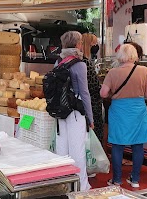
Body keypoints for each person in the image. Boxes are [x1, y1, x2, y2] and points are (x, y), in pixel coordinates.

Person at [100, 44, 147, 188]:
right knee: (138, 145)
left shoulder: (113, 72)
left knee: (117, 145)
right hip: (138, 110)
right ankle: (135, 179)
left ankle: (117, 179)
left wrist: (114, 93)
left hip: (119, 110)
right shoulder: (144, 71)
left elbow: (103, 94)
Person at [56, 31, 94, 192]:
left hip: (60, 110)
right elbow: (84, 93)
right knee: (77, 149)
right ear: (78, 44)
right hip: (76, 112)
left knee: (62, 149)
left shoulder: (58, 61)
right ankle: (81, 186)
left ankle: (62, 184)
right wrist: (90, 118)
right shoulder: (79, 64)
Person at [81, 33, 105, 146]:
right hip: (92, 105)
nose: (96, 46)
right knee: (94, 134)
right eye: (94, 43)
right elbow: (94, 87)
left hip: (83, 104)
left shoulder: (80, 61)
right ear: (88, 45)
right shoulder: (86, 63)